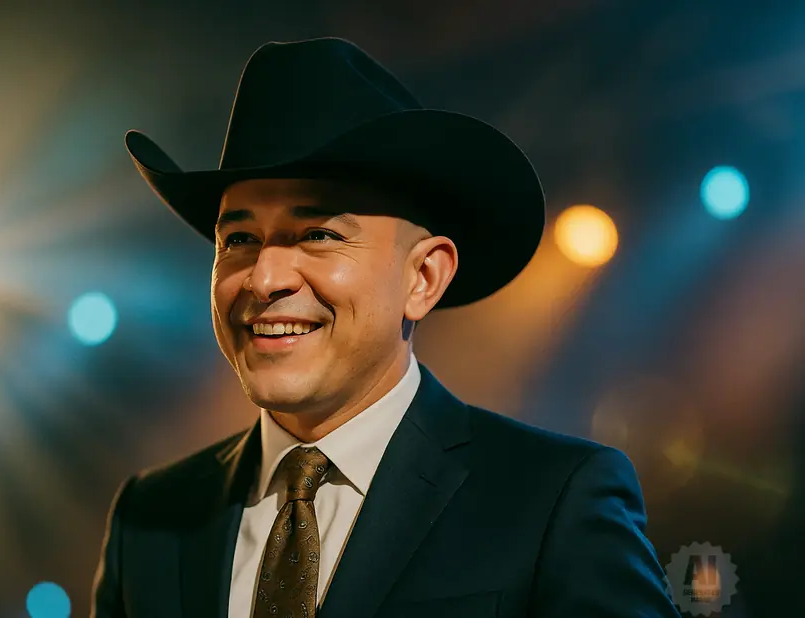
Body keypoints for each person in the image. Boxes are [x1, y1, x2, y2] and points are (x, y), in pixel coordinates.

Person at [91, 37, 681, 618]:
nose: (264, 277)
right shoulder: (150, 518)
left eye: (318, 234)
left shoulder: (550, 501)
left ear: (424, 276)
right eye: (238, 239)